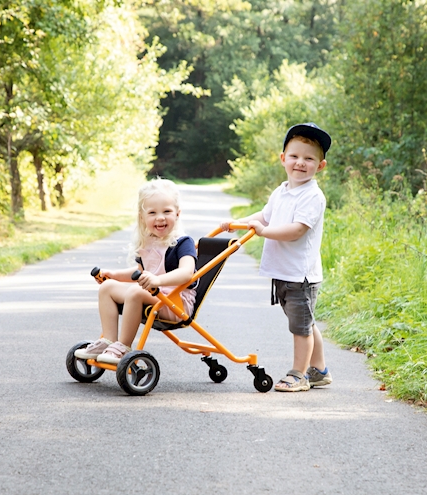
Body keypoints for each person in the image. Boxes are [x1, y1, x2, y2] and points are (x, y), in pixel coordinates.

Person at [221, 122, 333, 392]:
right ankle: (319, 370)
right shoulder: (281, 191)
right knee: (305, 322)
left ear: (320, 165)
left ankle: (299, 374)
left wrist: (264, 232)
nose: (300, 163)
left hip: (300, 275)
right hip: (284, 272)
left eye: (309, 158)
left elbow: (296, 231)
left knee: (300, 328)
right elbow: (263, 216)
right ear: (283, 159)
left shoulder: (312, 197)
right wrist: (240, 223)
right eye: (294, 156)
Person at [75, 178, 197, 364]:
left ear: (178, 214)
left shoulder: (183, 242)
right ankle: (108, 340)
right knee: (107, 287)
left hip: (175, 302)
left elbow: (187, 273)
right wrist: (114, 275)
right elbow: (140, 271)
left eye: (167, 211)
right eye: (152, 212)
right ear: (142, 217)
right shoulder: (148, 241)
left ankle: (123, 346)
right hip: (153, 295)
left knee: (135, 291)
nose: (160, 217)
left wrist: (157, 281)